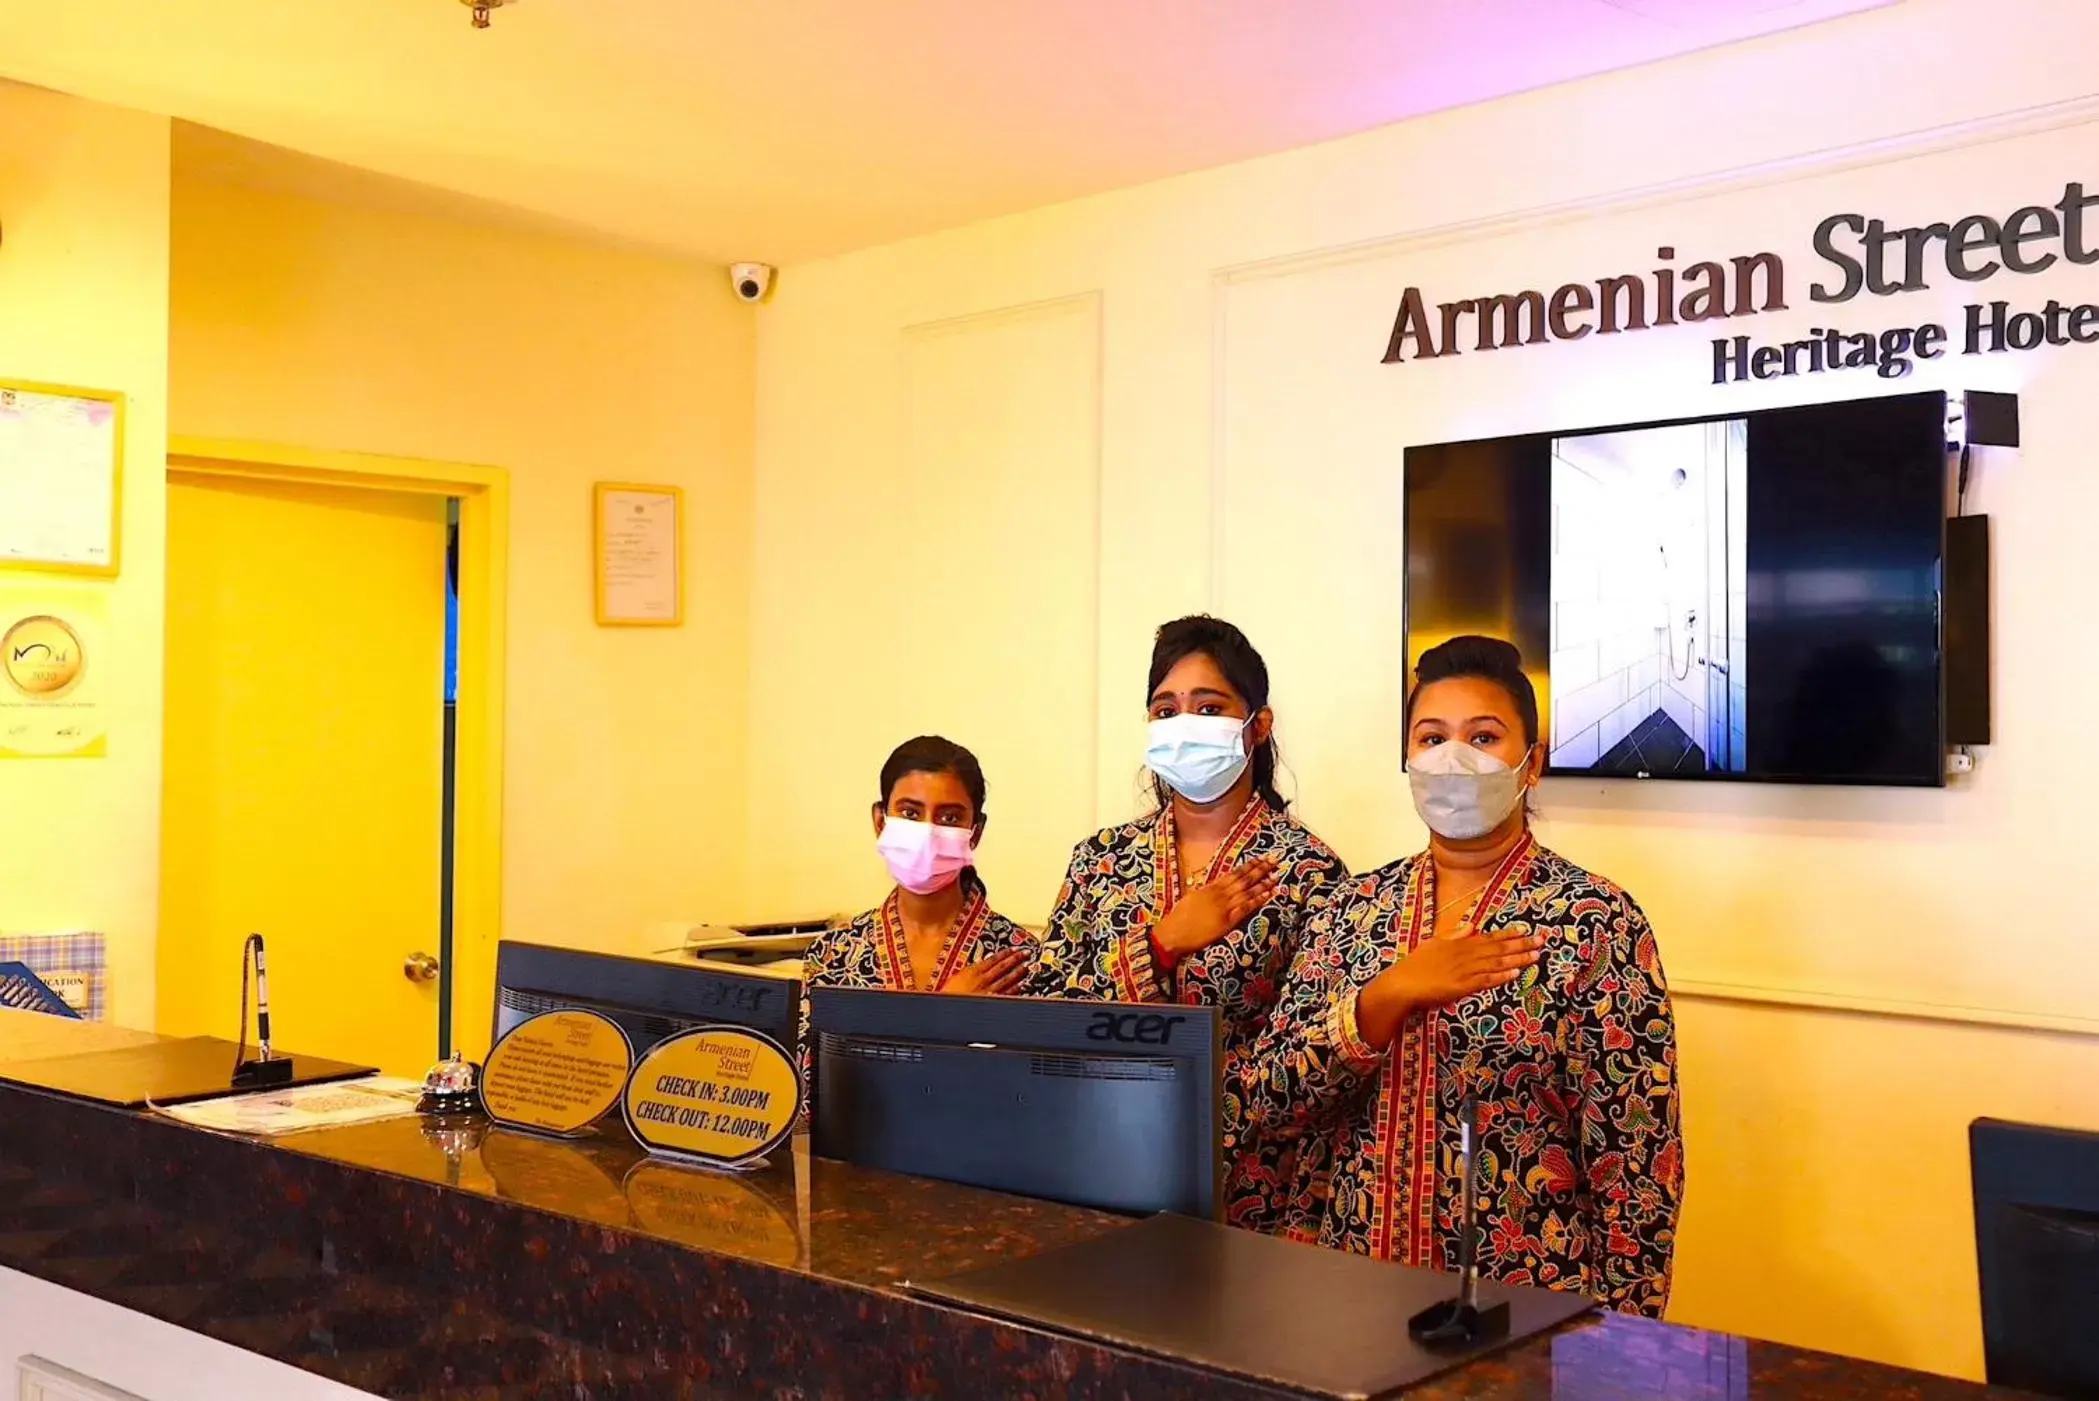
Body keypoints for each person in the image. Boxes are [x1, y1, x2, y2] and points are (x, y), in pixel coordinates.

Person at [1244, 636, 1682, 1317]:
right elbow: (1267, 1103)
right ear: (1409, 759)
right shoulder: (1349, 909)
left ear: (1530, 762)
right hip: (1350, 1291)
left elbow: (1637, 1166)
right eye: (1431, 736)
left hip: (1524, 1304)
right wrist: (1383, 997)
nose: (1454, 759)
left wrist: (1623, 1341)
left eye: (1483, 736)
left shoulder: (1594, 920)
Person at [1032, 616, 1346, 1235]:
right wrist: (1160, 945)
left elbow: (1317, 1057)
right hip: (1101, 1163)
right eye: (1165, 709)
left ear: (1258, 725)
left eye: (1208, 708)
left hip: (1253, 1188)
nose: (1184, 727)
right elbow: (1046, 1014)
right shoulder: (1101, 859)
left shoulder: (1310, 871)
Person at [800, 737, 1036, 1091]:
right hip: (851, 1145)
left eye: (950, 817)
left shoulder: (1016, 958)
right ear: (880, 821)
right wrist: (945, 1016)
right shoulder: (835, 954)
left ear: (976, 831)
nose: (927, 831)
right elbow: (811, 1088)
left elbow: (1031, 1092)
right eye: (910, 813)